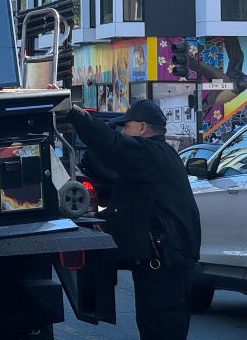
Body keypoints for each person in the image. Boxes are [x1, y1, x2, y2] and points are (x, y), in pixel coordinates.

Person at [63, 98, 201, 340]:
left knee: (162, 329)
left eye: (126, 126)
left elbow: (112, 146)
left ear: (142, 127)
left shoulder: (151, 153)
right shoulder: (153, 160)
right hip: (161, 261)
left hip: (165, 263)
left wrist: (74, 113)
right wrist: (97, 217)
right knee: (152, 327)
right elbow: (132, 207)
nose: (123, 131)